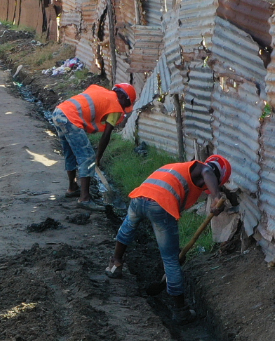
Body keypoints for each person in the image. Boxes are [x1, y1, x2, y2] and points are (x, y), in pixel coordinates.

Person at [107, 153, 234, 323]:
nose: (208, 187)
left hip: (140, 197)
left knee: (127, 228)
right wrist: (217, 196)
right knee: (170, 260)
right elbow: (208, 171)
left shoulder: (179, 170)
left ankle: (115, 263)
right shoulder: (202, 168)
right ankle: (180, 310)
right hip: (159, 204)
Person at [47, 81, 135, 205]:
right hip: (70, 118)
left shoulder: (101, 91)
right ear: (122, 97)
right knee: (87, 157)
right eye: (127, 103)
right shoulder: (115, 107)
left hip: (59, 112)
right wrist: (97, 157)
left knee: (70, 153)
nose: (125, 108)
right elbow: (106, 135)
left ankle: (72, 188)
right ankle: (85, 198)